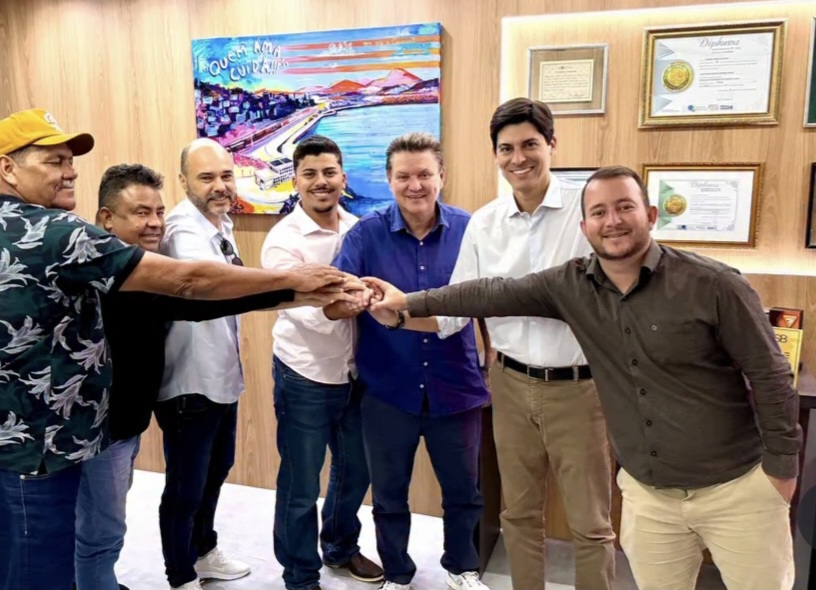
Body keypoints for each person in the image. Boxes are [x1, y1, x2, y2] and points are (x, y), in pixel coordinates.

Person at [0, 109, 353, 590]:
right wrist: (292, 280)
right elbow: (187, 282)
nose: (70, 171)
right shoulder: (54, 233)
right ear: (8, 168)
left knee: (46, 563)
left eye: (70, 160)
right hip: (25, 460)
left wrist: (298, 294)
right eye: (54, 161)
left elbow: (180, 302)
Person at [369, 165, 801, 590]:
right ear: (584, 227)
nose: (612, 221)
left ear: (651, 215)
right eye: (599, 212)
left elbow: (772, 376)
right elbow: (488, 292)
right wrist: (406, 303)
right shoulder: (571, 284)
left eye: (625, 207)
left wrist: (781, 470)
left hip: (736, 488)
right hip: (649, 494)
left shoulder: (714, 285)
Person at [74, 163, 342, 590]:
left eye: (157, 212)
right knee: (107, 525)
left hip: (133, 414)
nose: (155, 223)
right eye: (141, 213)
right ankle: (169, 576)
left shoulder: (151, 259)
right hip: (108, 418)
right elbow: (197, 292)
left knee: (136, 509)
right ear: (107, 218)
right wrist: (295, 285)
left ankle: (135, 571)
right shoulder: (114, 269)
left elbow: (208, 301)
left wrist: (301, 294)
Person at [429, 99, 614, 590]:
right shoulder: (484, 223)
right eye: (506, 148)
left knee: (591, 523)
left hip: (581, 388)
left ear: (552, 145)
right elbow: (456, 305)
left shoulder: (588, 209)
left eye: (530, 144)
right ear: (495, 154)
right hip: (509, 384)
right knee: (519, 514)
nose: (519, 158)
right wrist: (397, 308)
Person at [327, 132, 491, 590]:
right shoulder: (366, 233)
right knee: (389, 496)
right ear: (389, 180)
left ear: (442, 176)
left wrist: (492, 355)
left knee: (464, 492)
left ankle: (462, 568)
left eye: (424, 174)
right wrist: (355, 300)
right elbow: (335, 302)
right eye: (403, 176)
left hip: (456, 386)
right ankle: (398, 573)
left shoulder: (471, 229)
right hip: (387, 390)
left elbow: (490, 297)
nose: (414, 185)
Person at [261, 135, 383, 590]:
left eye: (329, 172)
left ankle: (340, 548)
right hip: (304, 375)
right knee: (301, 484)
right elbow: (298, 307)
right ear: (295, 180)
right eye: (309, 174)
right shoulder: (283, 240)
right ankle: (299, 574)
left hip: (356, 372)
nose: (321, 182)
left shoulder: (359, 228)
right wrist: (338, 307)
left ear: (343, 177)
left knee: (356, 472)